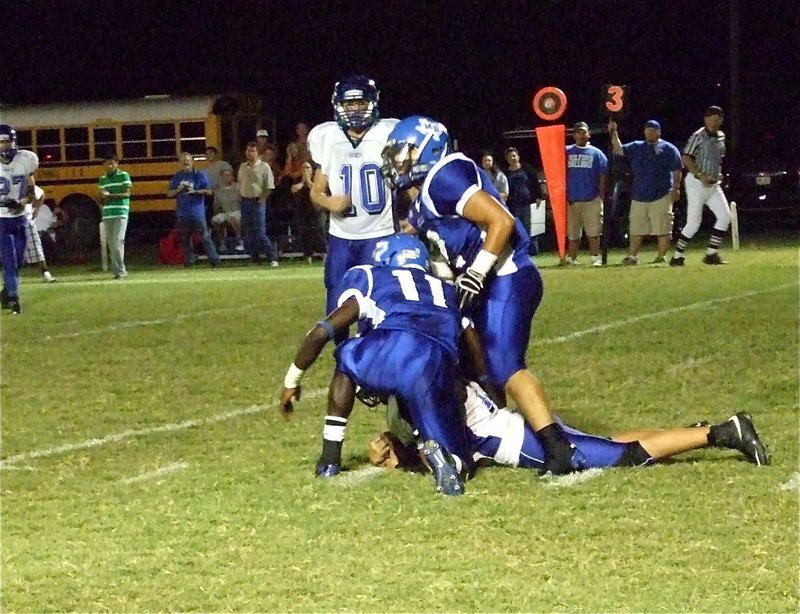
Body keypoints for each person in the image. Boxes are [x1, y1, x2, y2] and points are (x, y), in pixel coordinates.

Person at [383, 115, 584, 475]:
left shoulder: (445, 173)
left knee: (505, 365)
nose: (399, 162)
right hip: (490, 281)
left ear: (427, 148)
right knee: (478, 362)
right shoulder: (425, 196)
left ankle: (558, 448)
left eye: (405, 153)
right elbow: (434, 242)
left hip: (505, 274)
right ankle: (494, 431)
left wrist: (475, 273)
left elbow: (502, 222)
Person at [279, 234, 473, 496]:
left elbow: (321, 333)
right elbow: (471, 344)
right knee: (461, 463)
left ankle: (329, 459)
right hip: (436, 363)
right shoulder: (446, 290)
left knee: (347, 359)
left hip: (390, 347)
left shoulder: (371, 276)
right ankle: (437, 454)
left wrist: (292, 381)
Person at [369, 380, 769, 471]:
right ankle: (683, 434)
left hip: (521, 440)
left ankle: (722, 432)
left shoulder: (425, 393)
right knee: (605, 442)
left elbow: (451, 455)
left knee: (624, 457)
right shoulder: (435, 373)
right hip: (522, 425)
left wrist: (401, 460)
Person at [308, 75, 399, 327]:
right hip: (341, 237)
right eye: (349, 104)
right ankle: (342, 362)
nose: (355, 109)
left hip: (379, 234)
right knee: (335, 307)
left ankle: (367, 359)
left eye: (360, 103)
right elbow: (316, 192)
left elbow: (409, 181)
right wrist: (330, 203)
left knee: (373, 306)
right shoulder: (328, 137)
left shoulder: (388, 133)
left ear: (372, 102)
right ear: (339, 106)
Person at [608, 119, 683, 265]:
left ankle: (661, 257)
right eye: (647, 130)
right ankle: (632, 256)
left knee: (663, 227)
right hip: (639, 195)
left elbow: (677, 169)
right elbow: (618, 149)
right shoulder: (636, 147)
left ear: (658, 132)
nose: (649, 132)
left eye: (653, 130)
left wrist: (676, 188)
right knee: (636, 229)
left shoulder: (668, 148)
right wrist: (613, 131)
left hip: (662, 194)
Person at [671, 106, 732, 266]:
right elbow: (686, 157)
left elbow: (718, 158)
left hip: (713, 184)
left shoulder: (721, 136)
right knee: (694, 222)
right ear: (705, 119)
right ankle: (677, 256)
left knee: (725, 216)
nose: (714, 122)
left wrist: (718, 173)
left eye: (717, 119)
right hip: (696, 183)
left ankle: (711, 253)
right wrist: (699, 174)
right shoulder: (698, 136)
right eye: (711, 119)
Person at [0, 124, 38, 314]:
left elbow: (32, 192)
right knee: (9, 260)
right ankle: (14, 298)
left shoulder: (26, 160)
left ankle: (7, 292)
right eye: (0, 142)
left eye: (6, 141)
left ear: (13, 142)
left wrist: (21, 202)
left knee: (18, 262)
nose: (3, 146)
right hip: (1, 219)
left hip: (20, 217)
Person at [166, 152, 220, 268]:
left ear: (192, 162)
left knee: (205, 236)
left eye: (188, 161)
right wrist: (178, 190)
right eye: (183, 161)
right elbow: (169, 193)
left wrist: (195, 192)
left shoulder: (199, 174)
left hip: (197, 212)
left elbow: (209, 191)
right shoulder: (177, 176)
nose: (186, 163)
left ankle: (214, 260)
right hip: (182, 212)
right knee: (185, 239)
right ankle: (189, 261)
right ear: (179, 163)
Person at [566, 121, 608, 266]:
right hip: (572, 199)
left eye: (584, 132)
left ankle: (595, 257)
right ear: (574, 135)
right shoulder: (566, 152)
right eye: (578, 132)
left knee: (594, 231)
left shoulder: (597, 154)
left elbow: (603, 175)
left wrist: (601, 195)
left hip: (592, 199)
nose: (581, 135)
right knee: (572, 233)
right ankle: (572, 258)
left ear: (588, 134)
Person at [237, 141, 278, 266]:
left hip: (257, 201)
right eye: (248, 150)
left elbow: (270, 185)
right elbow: (239, 182)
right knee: (249, 233)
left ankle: (272, 257)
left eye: (253, 151)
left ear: (257, 153)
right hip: (245, 201)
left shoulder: (264, 166)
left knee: (260, 232)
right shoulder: (242, 166)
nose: (250, 153)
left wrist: (262, 198)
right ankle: (254, 259)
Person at [97, 153, 132, 279]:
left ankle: (122, 271)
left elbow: (127, 194)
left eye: (113, 163)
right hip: (107, 214)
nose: (110, 165)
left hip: (121, 212)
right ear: (104, 165)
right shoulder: (103, 179)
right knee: (111, 245)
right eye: (108, 163)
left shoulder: (123, 175)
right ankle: (117, 272)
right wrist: (102, 197)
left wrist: (110, 196)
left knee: (118, 242)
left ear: (117, 164)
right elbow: (100, 199)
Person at [504, 146, 541, 255]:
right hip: (513, 206)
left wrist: (538, 197)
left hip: (528, 204)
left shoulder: (527, 169)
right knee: (516, 230)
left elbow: (535, 184)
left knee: (530, 228)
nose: (513, 158)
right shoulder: (505, 173)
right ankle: (519, 251)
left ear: (518, 157)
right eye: (510, 157)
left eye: (514, 156)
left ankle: (532, 251)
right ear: (507, 159)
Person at [291, 160, 326, 263]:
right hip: (303, 211)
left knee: (319, 232)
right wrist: (303, 181)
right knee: (305, 233)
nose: (306, 170)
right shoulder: (297, 181)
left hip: (317, 211)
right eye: (304, 168)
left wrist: (308, 180)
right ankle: (307, 256)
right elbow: (294, 189)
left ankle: (324, 255)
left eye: (308, 168)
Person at [23, 182, 56, 282]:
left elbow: (40, 194)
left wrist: (36, 209)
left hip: (25, 218)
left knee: (36, 248)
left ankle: (46, 272)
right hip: (6, 218)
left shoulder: (21, 178)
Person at [210, 168, 243, 252]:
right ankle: (222, 242)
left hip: (238, 211)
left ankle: (240, 241)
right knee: (215, 220)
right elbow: (216, 205)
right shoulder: (218, 191)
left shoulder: (238, 187)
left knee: (233, 218)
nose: (227, 177)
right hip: (225, 212)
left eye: (229, 175)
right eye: (225, 176)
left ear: (232, 177)